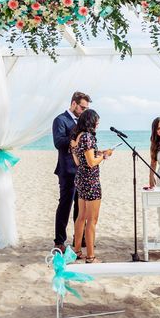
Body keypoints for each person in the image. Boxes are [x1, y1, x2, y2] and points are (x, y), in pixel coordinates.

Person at [70, 109, 113, 263]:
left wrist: (97, 153)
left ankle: (76, 251)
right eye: (97, 121)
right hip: (91, 181)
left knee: (81, 217)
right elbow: (91, 162)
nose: (98, 124)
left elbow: (78, 161)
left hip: (81, 179)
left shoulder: (76, 137)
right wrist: (103, 156)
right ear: (90, 121)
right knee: (92, 220)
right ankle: (90, 256)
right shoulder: (88, 137)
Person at [52, 91, 91, 252]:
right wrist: (76, 139)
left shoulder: (84, 121)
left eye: (86, 108)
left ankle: (79, 237)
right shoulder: (60, 120)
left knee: (81, 207)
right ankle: (59, 241)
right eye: (82, 107)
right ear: (73, 104)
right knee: (65, 206)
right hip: (67, 170)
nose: (84, 110)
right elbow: (58, 142)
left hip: (82, 170)